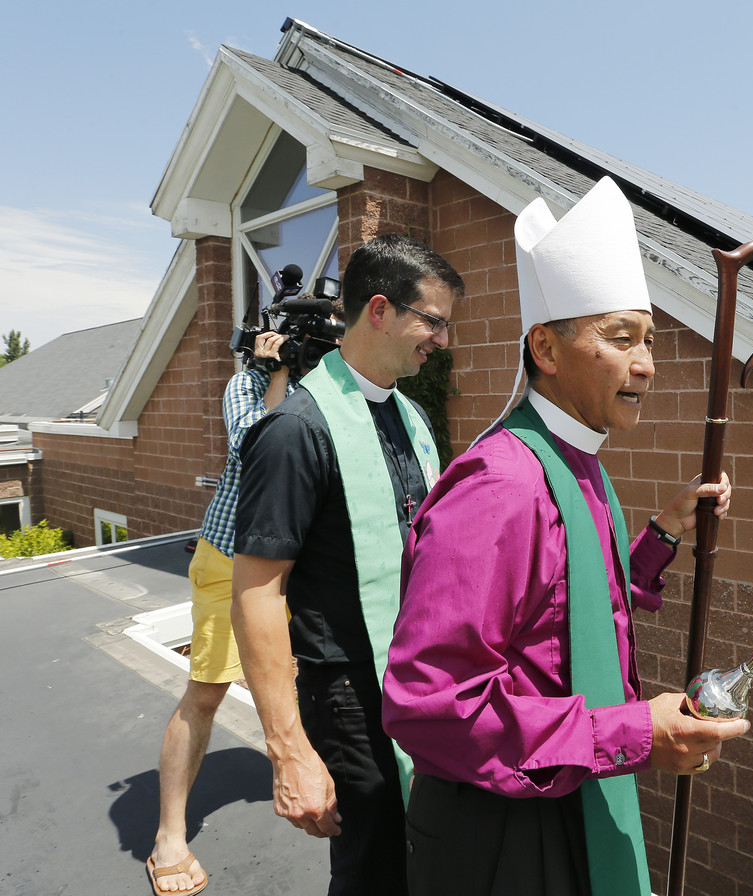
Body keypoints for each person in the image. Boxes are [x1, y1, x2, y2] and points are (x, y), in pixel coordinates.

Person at [383, 177, 750, 896]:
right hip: (503, 837)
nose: (645, 363)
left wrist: (662, 536)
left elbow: (574, 602)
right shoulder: (501, 484)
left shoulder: (576, 463)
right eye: (620, 339)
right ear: (545, 349)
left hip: (563, 791)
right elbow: (429, 703)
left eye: (649, 341)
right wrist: (635, 734)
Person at [230, 233, 463, 896]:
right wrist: (289, 751)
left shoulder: (412, 417)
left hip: (419, 688)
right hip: (350, 701)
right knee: (375, 873)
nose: (442, 341)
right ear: (382, 311)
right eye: (434, 322)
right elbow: (255, 594)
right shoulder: (297, 428)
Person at [147, 331, 296, 896]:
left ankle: (298, 774)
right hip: (230, 556)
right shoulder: (247, 385)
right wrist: (277, 371)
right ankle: (168, 836)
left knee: (295, 680)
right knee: (207, 690)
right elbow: (259, 444)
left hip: (291, 564)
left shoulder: (326, 386)